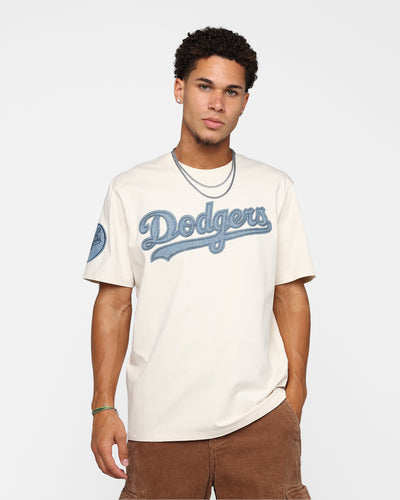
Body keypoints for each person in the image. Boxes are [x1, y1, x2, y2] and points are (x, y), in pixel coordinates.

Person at [83, 26, 316, 500]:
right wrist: (103, 406)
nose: (216, 103)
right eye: (204, 86)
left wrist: (294, 397)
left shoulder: (274, 187)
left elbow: (290, 294)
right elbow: (114, 303)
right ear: (179, 89)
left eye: (231, 91)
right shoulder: (131, 189)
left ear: (245, 102)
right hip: (160, 425)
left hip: (259, 422)